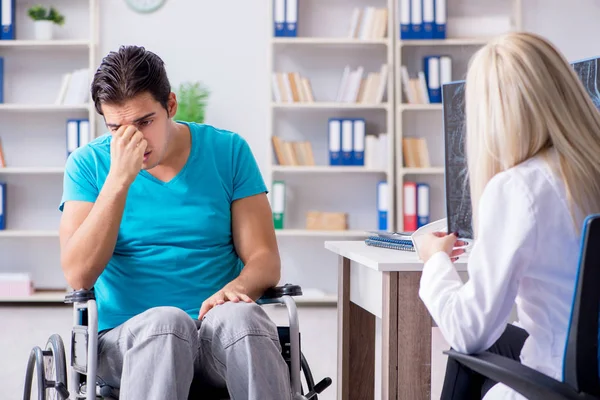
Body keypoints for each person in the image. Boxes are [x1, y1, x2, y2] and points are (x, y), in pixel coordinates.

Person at [58, 45, 292, 400]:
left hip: (217, 335)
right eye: (117, 128)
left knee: (243, 318)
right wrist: (119, 180)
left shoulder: (228, 152)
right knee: (167, 324)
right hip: (129, 340)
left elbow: (264, 259)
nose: (133, 139)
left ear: (170, 105)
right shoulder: (88, 165)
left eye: (144, 122)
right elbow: (78, 275)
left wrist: (239, 287)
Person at [416, 31, 600, 400]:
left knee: (462, 350)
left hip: (563, 383)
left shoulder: (519, 188)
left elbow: (469, 330)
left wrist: (434, 261)